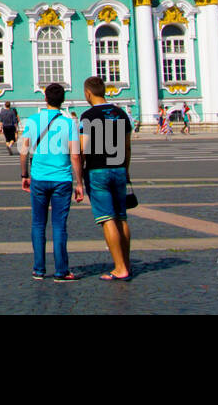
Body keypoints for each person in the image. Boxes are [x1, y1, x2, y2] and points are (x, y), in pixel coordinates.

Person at [20, 84, 84, 282]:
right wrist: (79, 182)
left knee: (38, 224)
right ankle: (61, 271)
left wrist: (24, 174)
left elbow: (23, 151)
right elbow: (75, 155)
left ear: (45, 98)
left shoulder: (33, 120)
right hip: (62, 179)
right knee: (59, 226)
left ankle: (38, 269)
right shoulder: (69, 123)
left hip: (39, 178)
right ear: (63, 100)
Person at [79, 76, 133, 281]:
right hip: (119, 169)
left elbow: (83, 147)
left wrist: (78, 174)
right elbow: (127, 146)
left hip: (97, 171)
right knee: (121, 218)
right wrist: (126, 169)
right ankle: (126, 263)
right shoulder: (121, 113)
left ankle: (119, 268)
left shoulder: (88, 115)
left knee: (107, 219)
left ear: (88, 93)